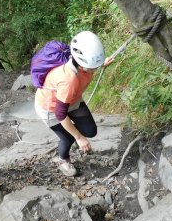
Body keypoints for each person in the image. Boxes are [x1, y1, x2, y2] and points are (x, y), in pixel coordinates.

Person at [35, 31, 114, 176]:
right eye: (92, 67)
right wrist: (78, 137)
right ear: (81, 62)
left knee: (90, 131)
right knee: (69, 137)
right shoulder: (68, 80)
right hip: (51, 108)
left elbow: (89, 66)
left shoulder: (82, 63)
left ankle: (74, 136)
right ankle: (63, 159)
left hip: (72, 99)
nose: (94, 70)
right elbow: (60, 113)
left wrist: (101, 63)